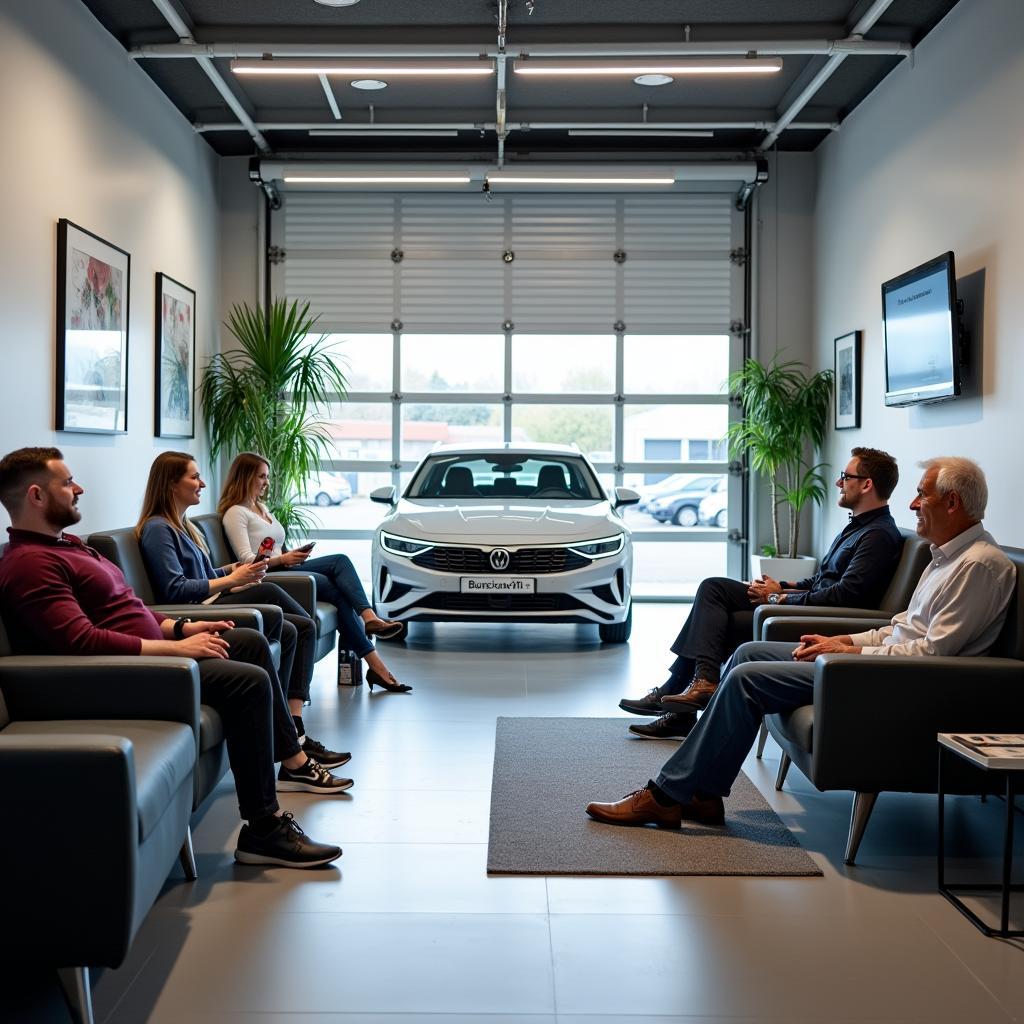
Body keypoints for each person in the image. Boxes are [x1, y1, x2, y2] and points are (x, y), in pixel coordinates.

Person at [587, 457, 1015, 829]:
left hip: (894, 682)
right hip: (877, 664)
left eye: (922, 495)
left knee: (746, 680)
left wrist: (852, 653)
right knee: (746, 653)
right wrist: (843, 637)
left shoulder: (979, 566)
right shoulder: (945, 557)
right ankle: (704, 793)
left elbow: (932, 654)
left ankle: (665, 796)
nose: (913, 503)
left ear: (953, 502)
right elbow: (900, 627)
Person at [0, 447, 348, 868]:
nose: (79, 488)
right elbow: (82, 641)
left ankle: (291, 760)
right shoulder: (30, 564)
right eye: (67, 482)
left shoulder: (70, 546)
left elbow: (131, 609)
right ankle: (264, 827)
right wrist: (177, 648)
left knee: (252, 642)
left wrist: (182, 628)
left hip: (154, 649)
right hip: (127, 673)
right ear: (36, 496)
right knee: (248, 681)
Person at [621, 446, 903, 740]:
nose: (838, 483)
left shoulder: (878, 535)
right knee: (713, 587)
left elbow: (845, 596)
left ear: (867, 484)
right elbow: (822, 580)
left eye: (846, 477)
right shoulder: (857, 528)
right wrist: (781, 587)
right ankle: (697, 684)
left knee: (722, 624)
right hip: (805, 604)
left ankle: (680, 694)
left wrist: (777, 599)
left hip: (824, 620)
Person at [136, 451, 352, 767]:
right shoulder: (158, 529)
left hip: (208, 600)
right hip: (196, 610)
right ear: (171, 484)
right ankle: (293, 739)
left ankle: (294, 727)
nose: (202, 483)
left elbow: (202, 576)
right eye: (194, 477)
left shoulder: (182, 526)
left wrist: (230, 571)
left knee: (297, 628)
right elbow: (175, 589)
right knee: (271, 594)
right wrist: (230, 580)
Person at [217, 452, 411, 693]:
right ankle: (371, 630)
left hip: (286, 569)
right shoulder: (236, 513)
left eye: (267, 476)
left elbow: (275, 545)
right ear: (245, 477)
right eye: (261, 476)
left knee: (340, 580)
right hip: (266, 576)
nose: (266, 482)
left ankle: (376, 657)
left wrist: (291, 555)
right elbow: (247, 560)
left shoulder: (261, 507)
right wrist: (284, 559)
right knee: (338, 566)